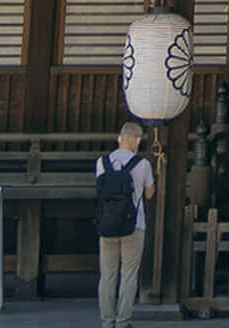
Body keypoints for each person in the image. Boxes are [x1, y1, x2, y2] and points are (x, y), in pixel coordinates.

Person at [94, 121, 156, 328]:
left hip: (107, 223)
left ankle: (107, 321)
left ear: (119, 138)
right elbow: (149, 194)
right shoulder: (143, 164)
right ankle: (123, 321)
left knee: (107, 275)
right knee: (129, 274)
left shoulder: (101, 162)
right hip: (134, 224)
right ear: (138, 140)